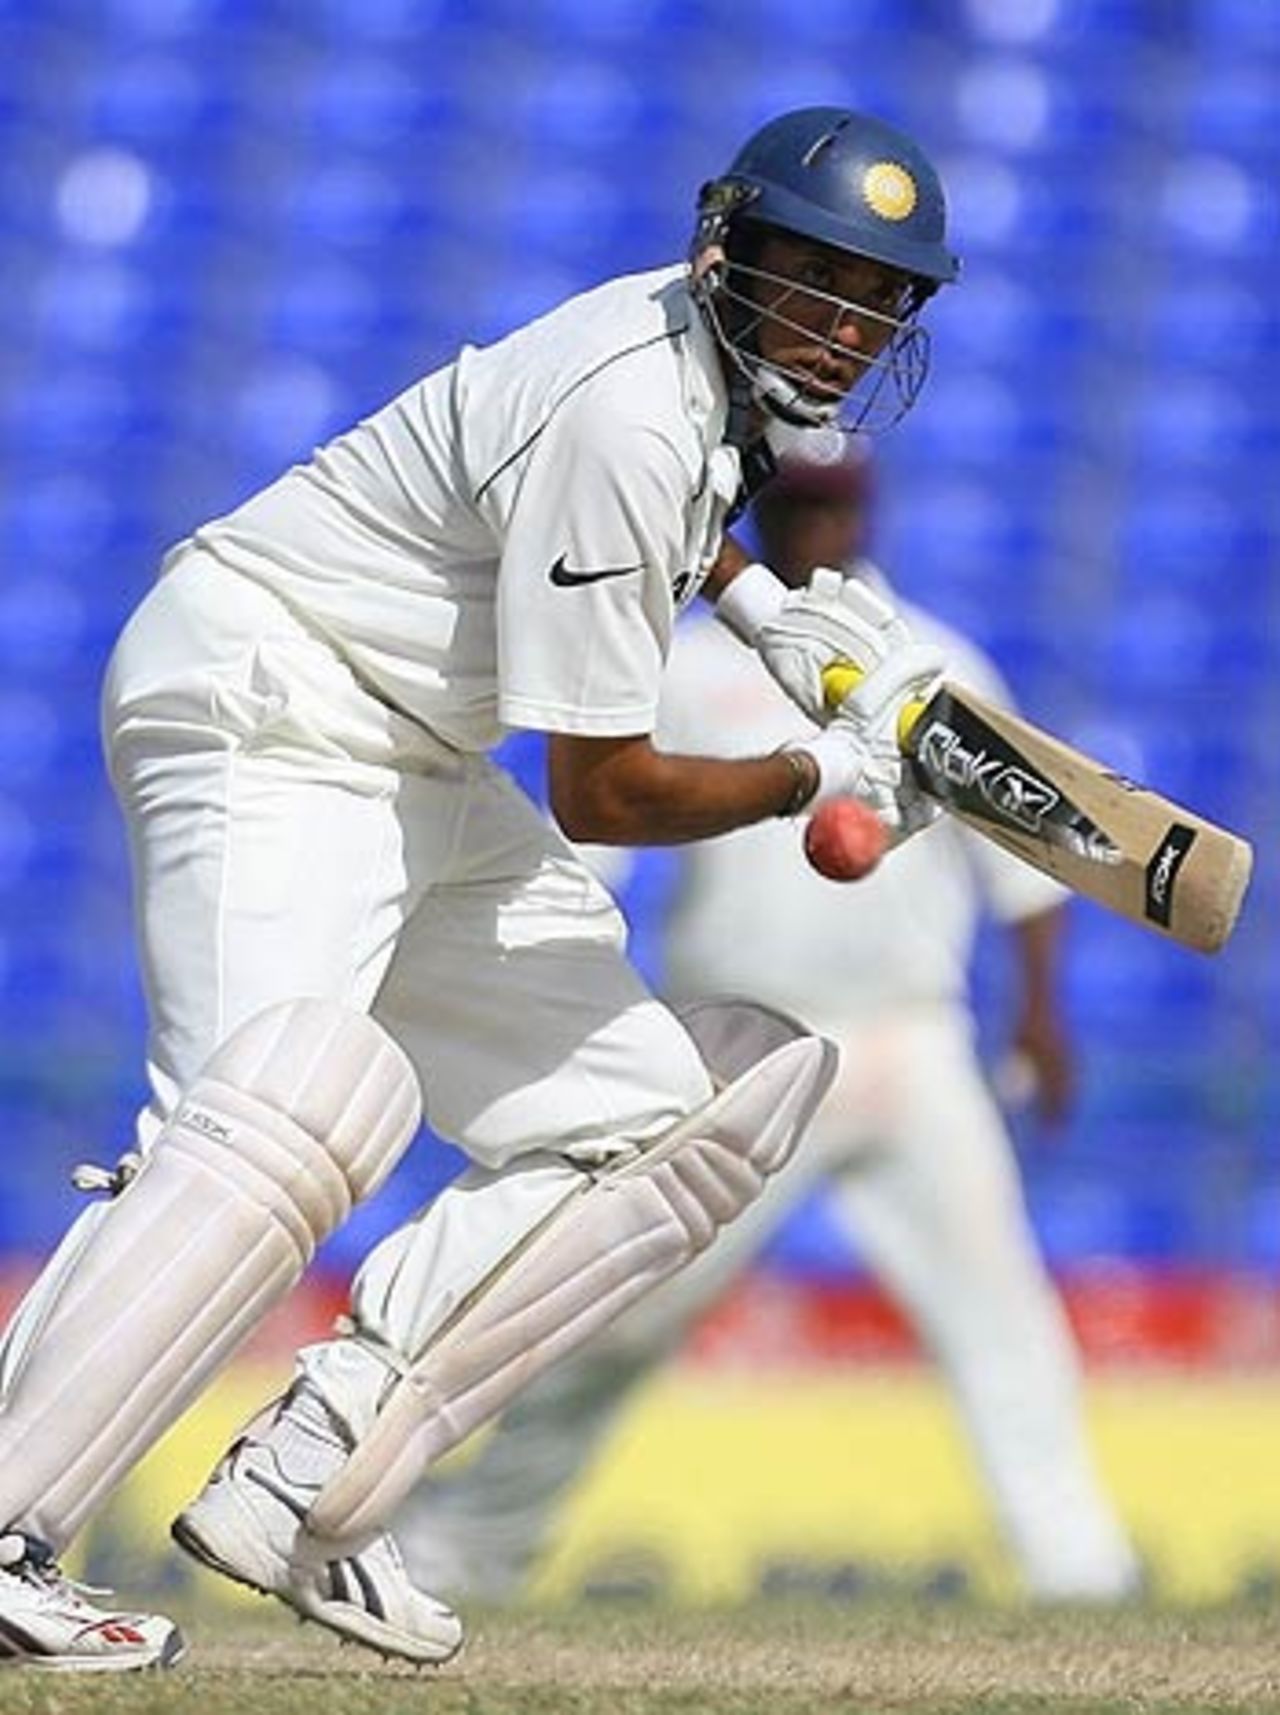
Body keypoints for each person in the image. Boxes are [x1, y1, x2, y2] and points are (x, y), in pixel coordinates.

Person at [0, 107, 963, 1670]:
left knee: (682, 1106)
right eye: (818, 279)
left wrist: (772, 613)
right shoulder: (632, 411)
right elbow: (606, 790)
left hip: (412, 750)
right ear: (733, 248)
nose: (845, 327)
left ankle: (312, 1478)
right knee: (275, 1107)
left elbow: (677, 519)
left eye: (879, 299)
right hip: (275, 694)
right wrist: (814, 776)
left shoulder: (711, 393)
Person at [394, 435, 1143, 1606]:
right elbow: (594, 847)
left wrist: (1041, 1016)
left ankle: (1080, 1570)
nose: (816, 529)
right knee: (620, 1318)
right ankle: (458, 1556)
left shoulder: (936, 669)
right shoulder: (690, 668)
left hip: (908, 1039)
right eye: (795, 505)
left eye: (835, 505)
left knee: (1001, 1314)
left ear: (869, 512)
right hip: (739, 1045)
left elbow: (1029, 859)